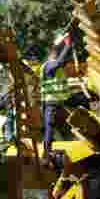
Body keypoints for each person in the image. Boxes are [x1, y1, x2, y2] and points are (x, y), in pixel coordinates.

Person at [40, 29, 74, 167]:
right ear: (51, 54)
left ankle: (52, 153)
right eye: (55, 52)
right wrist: (67, 44)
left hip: (58, 101)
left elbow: (63, 60)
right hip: (51, 103)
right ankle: (46, 155)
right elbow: (60, 61)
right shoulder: (49, 66)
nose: (57, 54)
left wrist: (66, 45)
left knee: (56, 126)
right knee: (49, 127)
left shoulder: (53, 66)